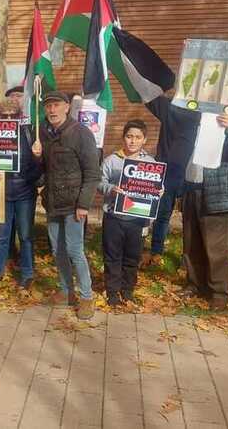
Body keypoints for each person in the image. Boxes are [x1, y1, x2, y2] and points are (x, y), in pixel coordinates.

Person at [32, 91, 100, 320]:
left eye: (56, 105)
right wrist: (37, 157)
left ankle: (87, 297)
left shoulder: (81, 133)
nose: (51, 109)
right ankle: (66, 291)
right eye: (48, 105)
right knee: (57, 250)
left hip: (73, 206)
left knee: (74, 250)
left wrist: (83, 205)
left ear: (67, 107)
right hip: (53, 203)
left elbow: (92, 174)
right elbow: (45, 170)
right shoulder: (45, 133)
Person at [178, 110, 228, 311]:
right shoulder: (194, 119)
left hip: (219, 192)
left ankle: (219, 292)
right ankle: (195, 284)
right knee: (191, 242)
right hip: (192, 187)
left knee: (217, 247)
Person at [99, 120, 155, 306]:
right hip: (114, 216)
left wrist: (159, 191)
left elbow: (156, 187)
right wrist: (111, 189)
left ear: (144, 140)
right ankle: (113, 291)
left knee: (132, 257)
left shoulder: (150, 163)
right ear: (124, 138)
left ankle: (128, 290)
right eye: (129, 136)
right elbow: (99, 182)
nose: (133, 141)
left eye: (137, 137)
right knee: (112, 256)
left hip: (137, 219)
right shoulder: (111, 160)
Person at [142, 94, 202, 267]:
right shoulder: (171, 107)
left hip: (193, 171)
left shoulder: (207, 112)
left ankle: (188, 257)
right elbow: (148, 94)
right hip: (167, 170)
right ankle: (156, 251)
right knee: (162, 214)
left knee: (190, 218)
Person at [0, 101, 42, 288]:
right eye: (4, 116)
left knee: (26, 235)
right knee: (2, 235)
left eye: (13, 115)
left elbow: (39, 170)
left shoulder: (28, 135)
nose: (9, 119)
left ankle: (27, 273)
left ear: (19, 116)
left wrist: (37, 157)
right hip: (2, 192)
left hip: (25, 193)